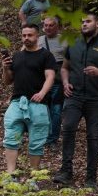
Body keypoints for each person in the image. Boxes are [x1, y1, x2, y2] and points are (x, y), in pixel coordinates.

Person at [52, 13, 98, 189]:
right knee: (68, 129)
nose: (84, 24)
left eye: (88, 21)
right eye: (82, 22)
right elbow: (64, 68)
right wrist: (66, 82)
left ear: (97, 24)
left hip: (96, 98)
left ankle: (91, 177)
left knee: (93, 136)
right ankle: (66, 172)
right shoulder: (74, 43)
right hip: (74, 96)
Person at [1, 25, 57, 183]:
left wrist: (42, 93)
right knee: (10, 138)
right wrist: (5, 68)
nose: (26, 38)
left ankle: (33, 178)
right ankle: (10, 175)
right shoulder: (17, 56)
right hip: (17, 102)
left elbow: (50, 76)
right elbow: (7, 81)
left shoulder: (46, 55)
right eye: (24, 35)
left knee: (36, 142)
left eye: (30, 35)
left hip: (37, 104)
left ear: (37, 36)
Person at [38, 16, 68, 147]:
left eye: (51, 25)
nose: (48, 28)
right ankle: (41, 136)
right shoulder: (38, 40)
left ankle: (52, 139)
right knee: (41, 109)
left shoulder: (65, 40)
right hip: (41, 80)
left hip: (57, 80)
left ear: (57, 26)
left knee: (56, 109)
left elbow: (71, 61)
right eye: (46, 25)